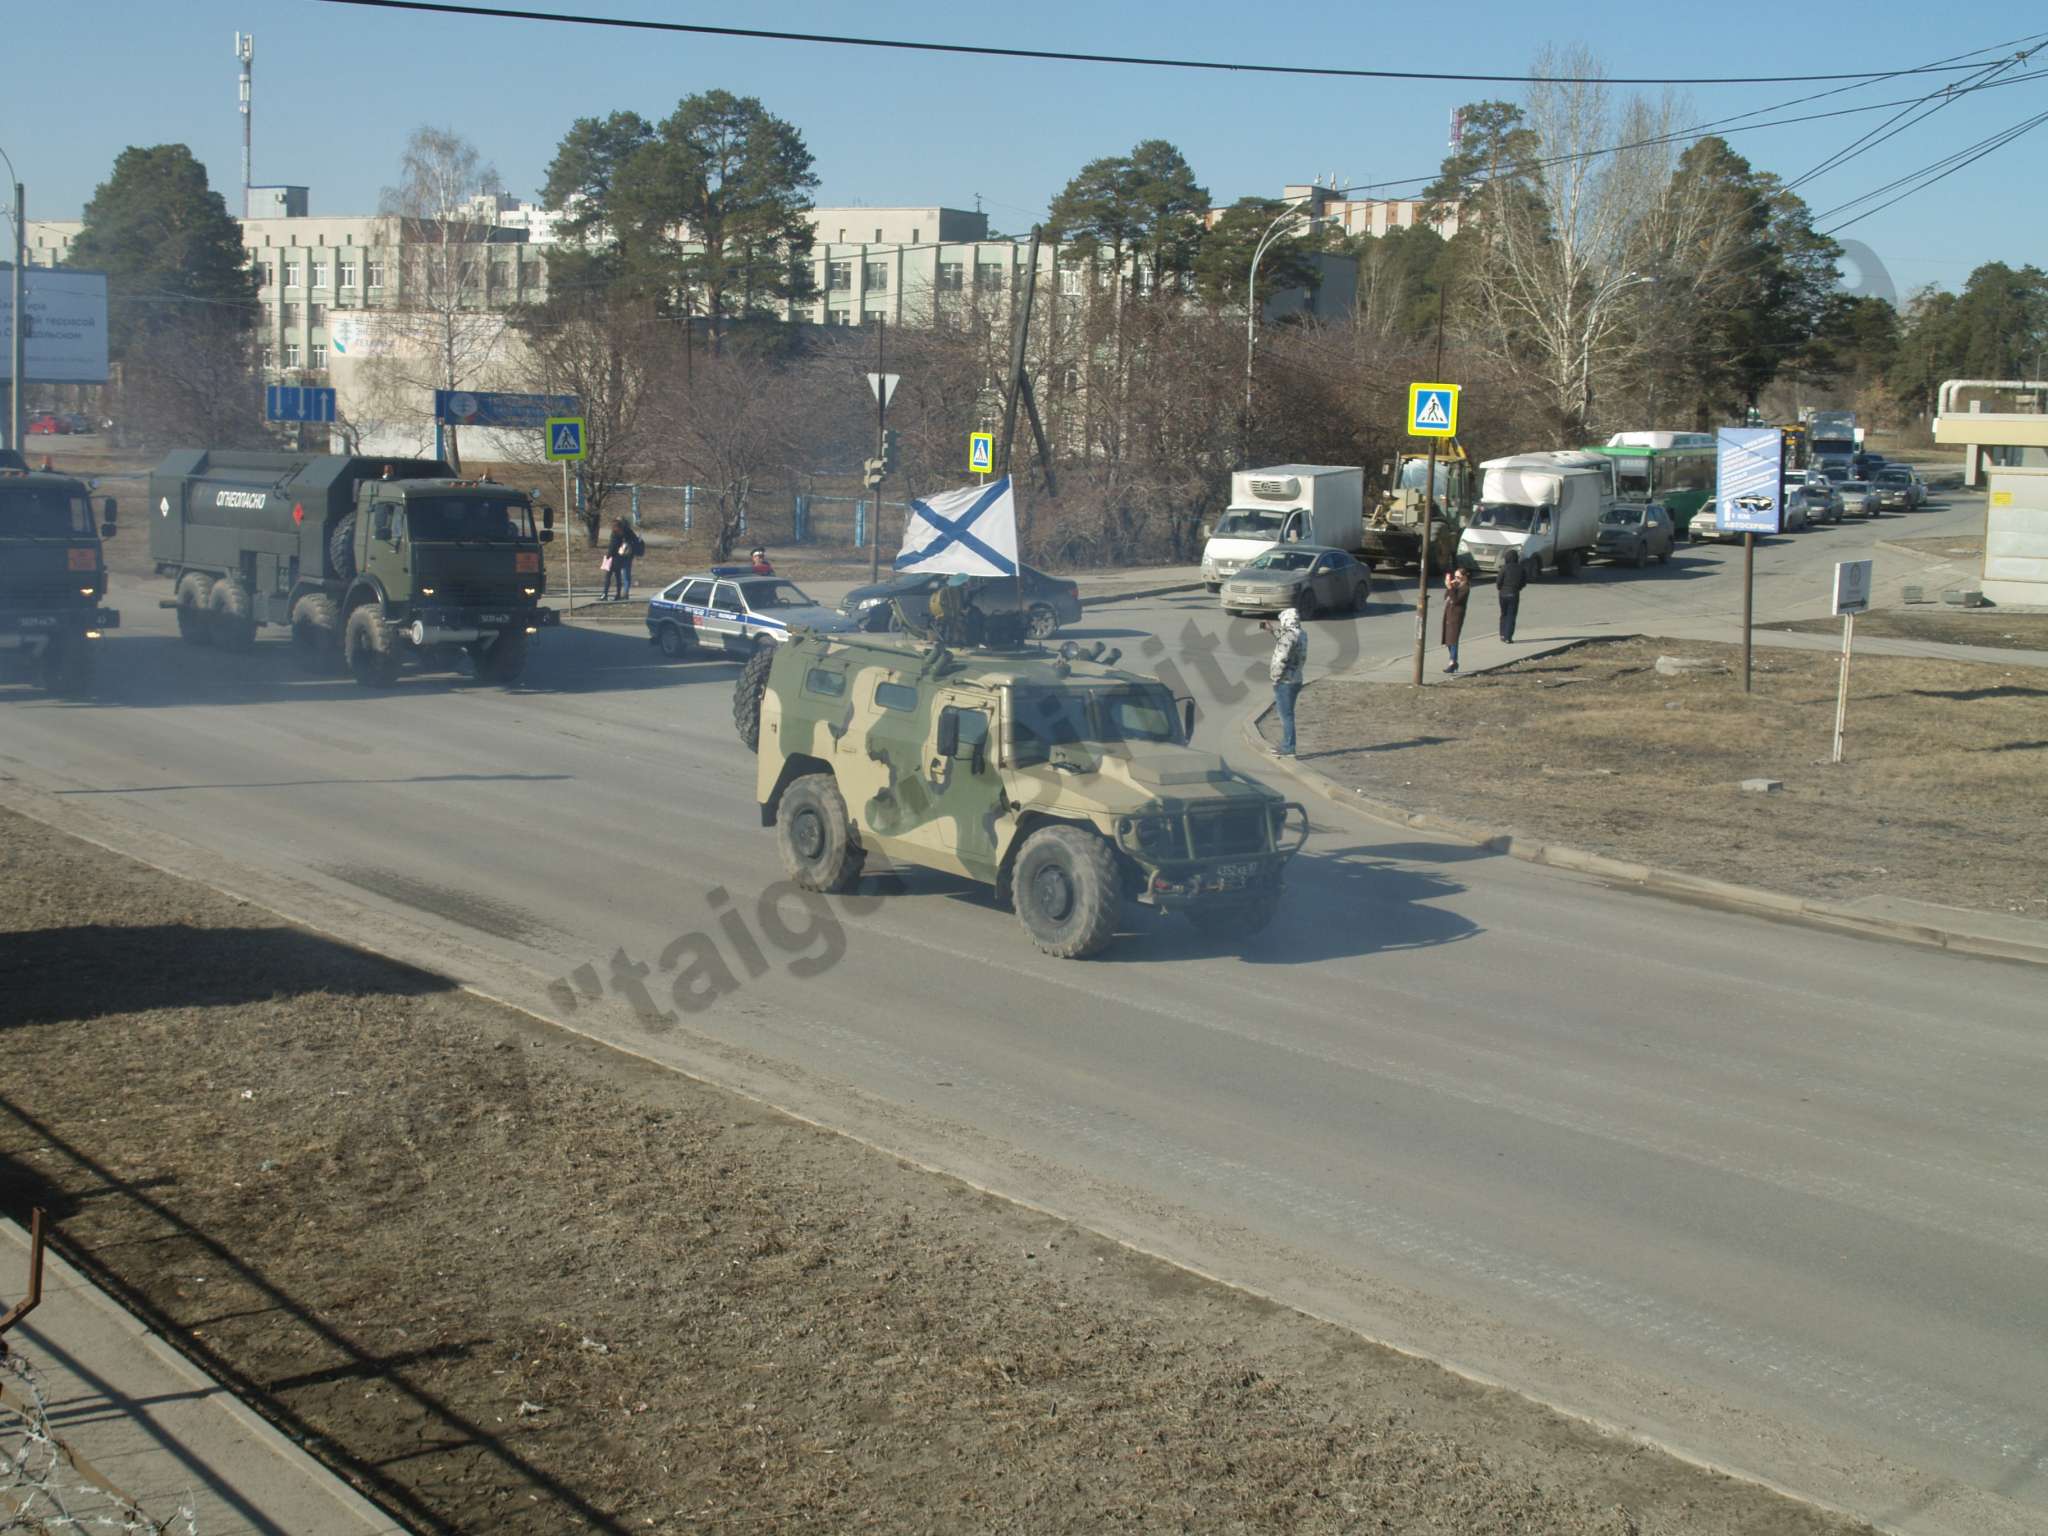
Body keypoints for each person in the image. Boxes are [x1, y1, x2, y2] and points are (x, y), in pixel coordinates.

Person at [1264, 607, 1307, 758]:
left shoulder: (1288, 637)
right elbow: (1287, 642)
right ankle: (1287, 744)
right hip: (1296, 679)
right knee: (1288, 713)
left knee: (1286, 715)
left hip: (1285, 681)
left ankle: (1289, 747)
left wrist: (1275, 678)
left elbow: (1282, 657)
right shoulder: (1301, 634)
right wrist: (1272, 631)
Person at [603, 518, 645, 601]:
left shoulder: (616, 533)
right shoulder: (629, 532)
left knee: (615, 575)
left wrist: (608, 555)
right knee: (625, 575)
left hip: (619, 557)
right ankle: (624, 593)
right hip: (628, 556)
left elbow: (613, 546)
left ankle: (612, 594)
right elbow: (636, 541)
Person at [1441, 560, 1471, 675]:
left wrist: (1450, 588)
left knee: (1453, 640)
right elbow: (1446, 597)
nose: (1456, 579)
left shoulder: (1465, 588)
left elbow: (1456, 600)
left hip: (1456, 616)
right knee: (1448, 640)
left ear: (1464, 577)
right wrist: (1450, 586)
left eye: (1458, 577)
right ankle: (1453, 661)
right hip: (1449, 613)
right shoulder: (1456, 585)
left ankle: (1452, 662)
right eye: (1455, 576)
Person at [1497, 547, 1527, 643]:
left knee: (1503, 614)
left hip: (1503, 594)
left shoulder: (1504, 568)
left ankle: (1502, 634)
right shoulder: (1521, 568)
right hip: (1514, 593)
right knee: (1511, 615)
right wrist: (1518, 588)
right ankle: (1508, 637)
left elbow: (1499, 581)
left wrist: (1500, 588)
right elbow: (1524, 582)